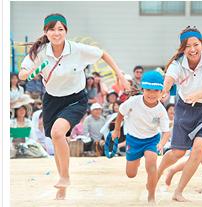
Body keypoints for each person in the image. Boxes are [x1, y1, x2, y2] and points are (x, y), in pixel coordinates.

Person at [18, 13, 128, 200]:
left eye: (60, 29)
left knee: (58, 133)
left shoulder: (77, 49)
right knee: (57, 139)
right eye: (52, 29)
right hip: (52, 99)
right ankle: (62, 187)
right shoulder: (40, 52)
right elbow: (21, 74)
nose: (56, 33)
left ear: (66, 31)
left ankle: (65, 177)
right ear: (46, 32)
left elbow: (103, 54)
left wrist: (120, 75)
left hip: (76, 99)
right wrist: (27, 72)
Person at [157, 26, 202, 202]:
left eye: (196, 44)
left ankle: (178, 192)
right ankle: (156, 174)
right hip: (185, 108)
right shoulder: (177, 64)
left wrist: (197, 95)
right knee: (178, 152)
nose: (192, 49)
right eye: (188, 46)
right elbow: (169, 80)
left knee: (199, 148)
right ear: (182, 48)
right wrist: (164, 90)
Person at [112, 71, 170, 202]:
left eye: (156, 90)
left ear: (161, 92)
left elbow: (166, 132)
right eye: (148, 89)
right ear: (143, 89)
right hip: (133, 139)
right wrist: (116, 130)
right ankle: (136, 160)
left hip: (151, 140)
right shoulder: (133, 101)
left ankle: (151, 195)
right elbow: (120, 113)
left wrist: (161, 144)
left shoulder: (161, 110)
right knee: (131, 174)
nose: (151, 93)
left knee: (151, 163)